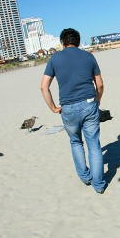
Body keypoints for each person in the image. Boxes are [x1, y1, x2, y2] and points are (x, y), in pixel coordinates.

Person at [40, 28, 106, 194]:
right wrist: (97, 100)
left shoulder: (54, 59)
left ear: (63, 42)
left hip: (68, 107)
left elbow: (43, 87)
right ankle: (98, 185)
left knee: (76, 142)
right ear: (77, 41)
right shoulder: (89, 56)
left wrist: (54, 108)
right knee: (94, 145)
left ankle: (85, 177)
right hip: (89, 103)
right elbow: (100, 84)